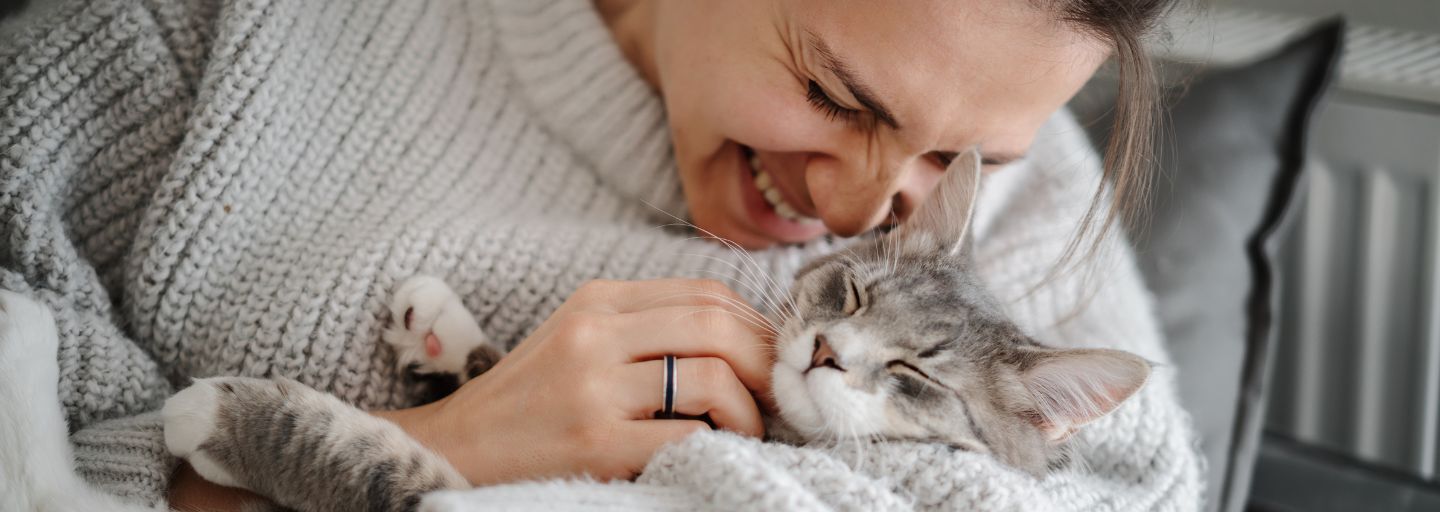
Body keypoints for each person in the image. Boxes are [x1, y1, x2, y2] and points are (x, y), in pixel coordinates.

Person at [0, 0, 1193, 509]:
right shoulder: (230, 35)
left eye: (963, 157)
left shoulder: (1033, 204)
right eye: (834, 93)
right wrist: (435, 451)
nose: (866, 210)